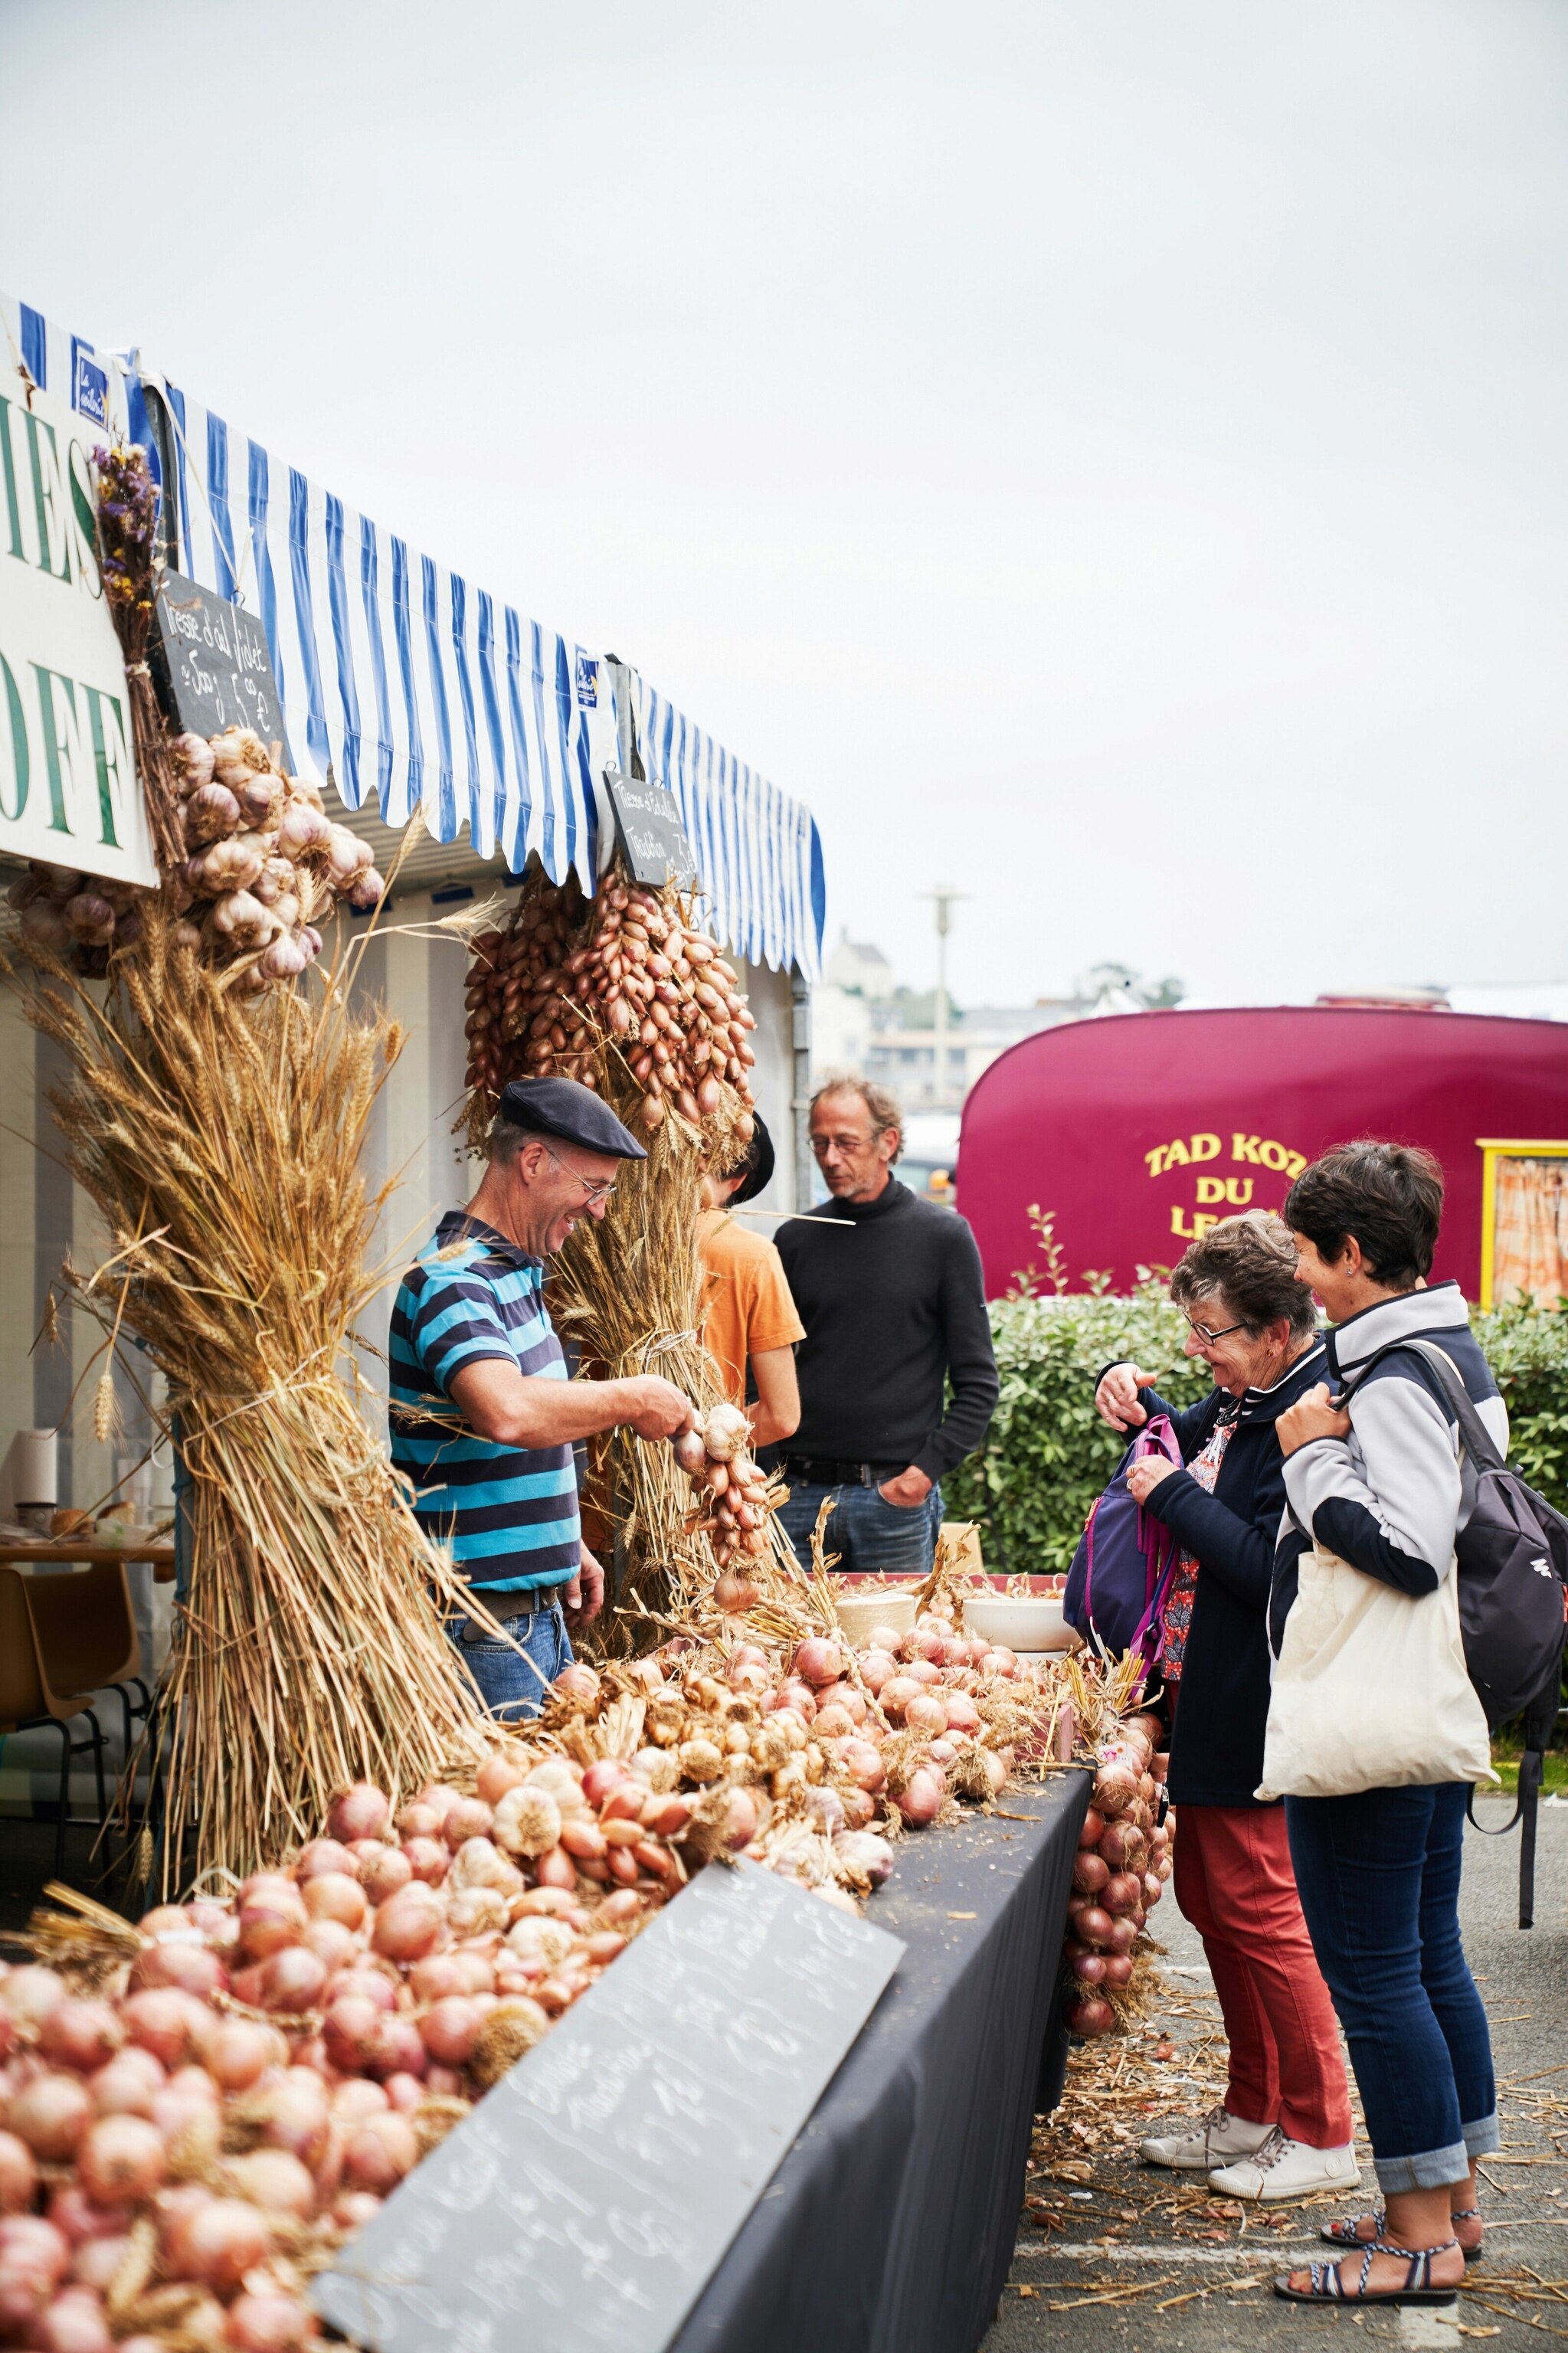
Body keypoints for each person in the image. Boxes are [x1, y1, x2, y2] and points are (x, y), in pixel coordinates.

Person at [1271, 1142, 1504, 2309]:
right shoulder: (1436, 1348)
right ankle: (1447, 2204)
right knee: (1420, 1959)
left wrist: (1309, 1455)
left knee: (1373, 1976)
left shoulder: (1398, 1377)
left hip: (1372, 1706)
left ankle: (1414, 2242)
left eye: (1308, 1256)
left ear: (1352, 1255)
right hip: (1416, 1704)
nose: (1302, 1277)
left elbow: (1409, 1551)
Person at [1094, 1213, 1357, 2203]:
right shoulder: (1242, 1396)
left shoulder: (1305, 1410)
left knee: (1258, 1906)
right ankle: (1252, 2108)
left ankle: (1320, 2127)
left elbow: (1263, 1566)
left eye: (1211, 1334)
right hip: (1203, 1691)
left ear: (1276, 1332)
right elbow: (1183, 1438)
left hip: (1254, 1696)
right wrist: (1129, 1394)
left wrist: (1163, 1496)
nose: (1197, 1352)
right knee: (1209, 1903)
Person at [390, 1076, 695, 1719]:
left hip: (528, 1621)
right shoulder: (452, 1279)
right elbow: (508, 1412)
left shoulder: (515, 1274)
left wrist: (562, 1543)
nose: (600, 1210)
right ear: (532, 1162)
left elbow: (520, 1433)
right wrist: (637, 1397)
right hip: (483, 1630)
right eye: (594, 1188)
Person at [774, 1076, 998, 1576]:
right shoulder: (794, 1240)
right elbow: (761, 1368)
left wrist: (919, 1477)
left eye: (846, 1143)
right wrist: (767, 1476)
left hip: (892, 1499)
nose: (830, 1158)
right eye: (819, 1142)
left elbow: (978, 1383)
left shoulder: (943, 1237)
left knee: (893, 1651)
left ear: (887, 1142)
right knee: (785, 1650)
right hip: (794, 1499)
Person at [697, 1116, 804, 1449]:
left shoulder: (593, 1237)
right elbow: (782, 1417)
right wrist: (707, 1440)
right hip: (691, 1489)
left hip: (591, 1483)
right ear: (739, 1180)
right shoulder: (752, 1255)